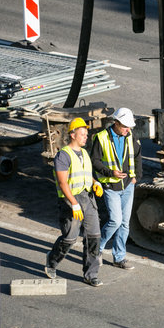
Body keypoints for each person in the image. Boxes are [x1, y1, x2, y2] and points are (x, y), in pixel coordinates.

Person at [45, 117, 104, 287]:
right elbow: (63, 183)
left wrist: (95, 183)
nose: (86, 137)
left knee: (94, 236)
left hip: (88, 198)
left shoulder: (85, 153)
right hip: (70, 200)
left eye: (86, 134)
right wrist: (74, 203)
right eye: (82, 134)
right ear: (72, 135)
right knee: (70, 238)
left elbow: (85, 174)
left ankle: (91, 274)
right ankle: (52, 260)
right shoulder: (63, 155)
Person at [91, 107, 142, 270]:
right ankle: (97, 250)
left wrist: (136, 177)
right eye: (125, 126)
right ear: (116, 123)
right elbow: (95, 161)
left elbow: (138, 156)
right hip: (111, 187)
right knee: (115, 221)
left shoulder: (130, 137)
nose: (128, 130)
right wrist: (109, 172)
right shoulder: (101, 138)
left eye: (129, 127)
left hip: (128, 186)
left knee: (125, 224)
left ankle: (119, 257)